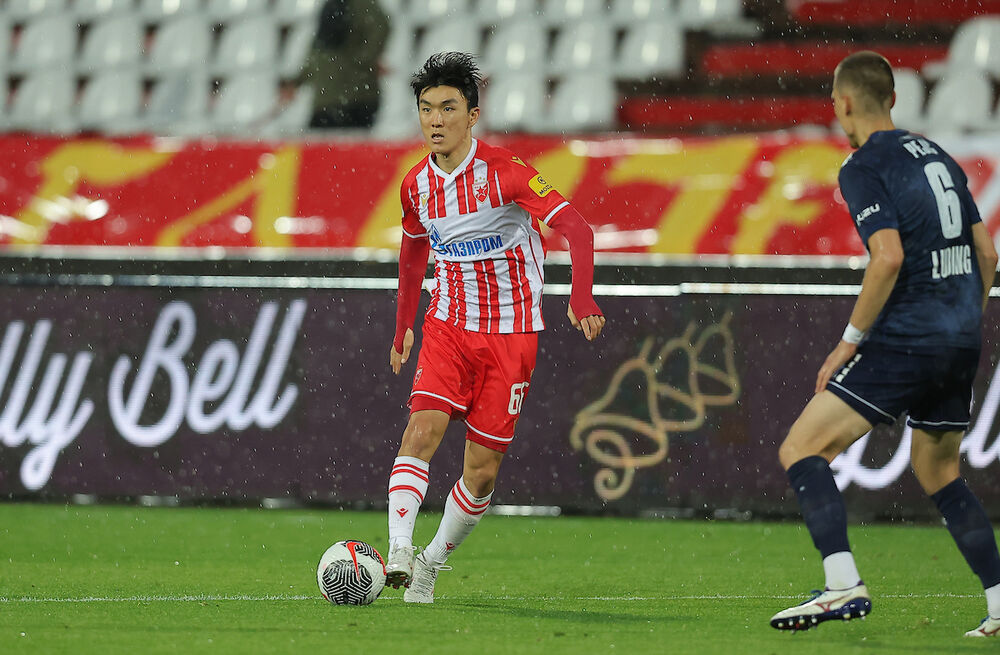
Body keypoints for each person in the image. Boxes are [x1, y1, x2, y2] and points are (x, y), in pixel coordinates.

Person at [769, 51, 1000, 636]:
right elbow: (987, 252)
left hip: (910, 335)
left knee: (802, 449)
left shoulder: (863, 165)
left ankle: (842, 584)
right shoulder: (939, 157)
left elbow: (888, 257)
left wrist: (849, 342)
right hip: (960, 336)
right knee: (938, 470)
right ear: (892, 99)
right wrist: (961, 325)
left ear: (845, 103)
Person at [384, 52, 605, 604]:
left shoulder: (507, 173)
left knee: (481, 473)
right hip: (448, 325)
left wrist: (580, 295)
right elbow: (413, 251)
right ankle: (399, 552)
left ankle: (431, 561)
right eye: (426, 108)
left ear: (472, 115)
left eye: (448, 108)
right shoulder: (415, 185)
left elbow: (578, 228)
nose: (435, 120)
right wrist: (404, 324)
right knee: (420, 432)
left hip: (511, 335)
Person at [298, 0, 388, 129]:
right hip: (338, 100)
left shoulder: (359, 6)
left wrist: (363, 60)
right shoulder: (335, 7)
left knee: (328, 139)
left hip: (350, 99)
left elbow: (380, 27)